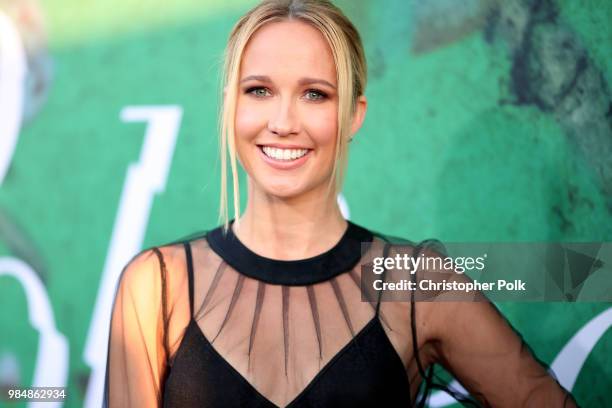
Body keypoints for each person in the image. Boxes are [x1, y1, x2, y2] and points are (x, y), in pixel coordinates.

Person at [103, 0, 579, 406]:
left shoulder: (418, 286)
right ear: (232, 107)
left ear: (353, 114)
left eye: (314, 94)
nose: (283, 121)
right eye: (259, 91)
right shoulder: (156, 287)